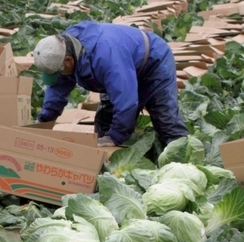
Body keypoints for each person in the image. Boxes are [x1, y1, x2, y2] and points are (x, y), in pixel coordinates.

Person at [32, 21, 189, 148]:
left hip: (153, 63)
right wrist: (44, 120)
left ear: (68, 60)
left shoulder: (105, 56)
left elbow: (126, 100)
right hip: (124, 68)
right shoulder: (63, 49)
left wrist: (115, 137)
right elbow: (57, 88)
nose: (59, 75)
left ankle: (186, 162)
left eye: (58, 72)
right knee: (104, 124)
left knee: (166, 123)